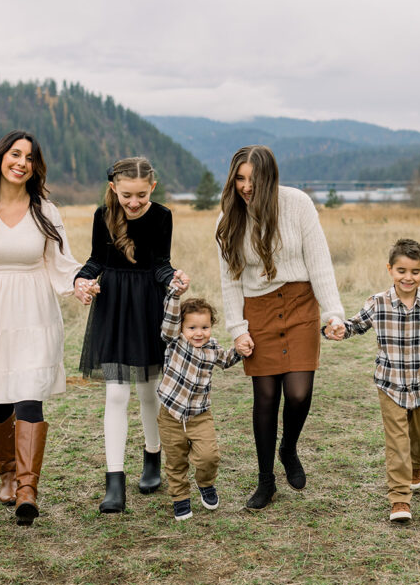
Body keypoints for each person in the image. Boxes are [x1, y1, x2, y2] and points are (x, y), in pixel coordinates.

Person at [0, 130, 90, 526]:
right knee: (1, 399)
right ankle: (8, 475)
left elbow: (61, 263)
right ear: (0, 158)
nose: (21, 162)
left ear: (35, 167)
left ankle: (28, 488)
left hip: (34, 314)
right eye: (15, 154)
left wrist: (79, 285)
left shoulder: (46, 209)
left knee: (29, 395)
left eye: (29, 157)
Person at [216, 145, 345, 511]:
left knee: (299, 393)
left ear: (269, 177)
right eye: (239, 178)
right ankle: (265, 482)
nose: (245, 186)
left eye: (253, 179)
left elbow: (319, 263)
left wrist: (332, 313)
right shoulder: (229, 217)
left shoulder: (298, 204)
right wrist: (237, 328)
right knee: (266, 398)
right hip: (257, 310)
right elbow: (230, 280)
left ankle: (288, 447)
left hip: (301, 303)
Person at [325, 239, 420, 522]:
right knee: (397, 442)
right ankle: (399, 499)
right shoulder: (377, 303)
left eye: (415, 271)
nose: (408, 277)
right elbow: (354, 325)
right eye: (401, 270)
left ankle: (418, 464)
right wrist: (335, 329)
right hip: (390, 383)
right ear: (390, 269)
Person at [75, 157, 176, 514]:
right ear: (115, 188)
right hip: (114, 307)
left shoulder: (162, 216)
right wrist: (81, 281)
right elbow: (94, 261)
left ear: (152, 188)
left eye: (141, 196)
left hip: (148, 304)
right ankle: (114, 481)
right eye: (127, 195)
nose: (133, 203)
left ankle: (152, 459)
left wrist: (173, 278)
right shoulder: (102, 216)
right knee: (116, 394)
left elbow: (161, 263)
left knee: (148, 390)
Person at [156, 276, 246, 521]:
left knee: (209, 456)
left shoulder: (212, 348)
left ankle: (205, 483)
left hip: (199, 415)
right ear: (182, 328)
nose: (198, 333)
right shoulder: (174, 340)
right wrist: (175, 294)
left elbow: (227, 360)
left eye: (204, 327)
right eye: (192, 328)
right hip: (170, 416)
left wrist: (240, 350)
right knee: (175, 462)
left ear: (211, 327)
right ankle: (180, 498)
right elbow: (170, 320)